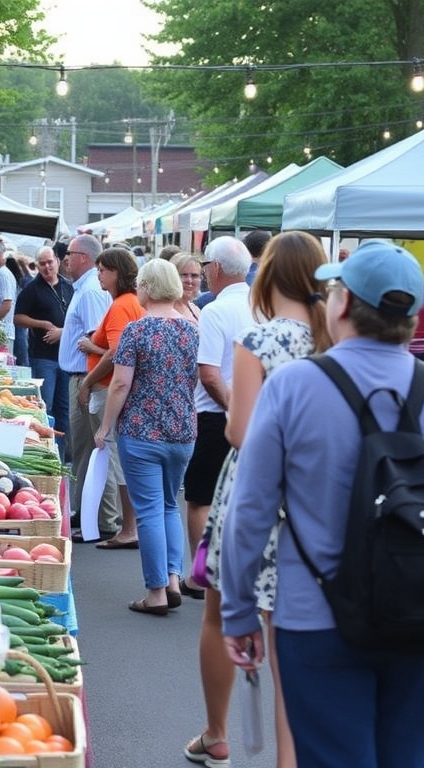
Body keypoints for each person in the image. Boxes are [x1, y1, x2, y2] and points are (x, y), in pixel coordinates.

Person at [221, 240, 424, 768]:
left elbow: (250, 512)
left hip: (316, 616)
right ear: (411, 316)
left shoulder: (296, 387)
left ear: (342, 304)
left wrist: (238, 613)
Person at [186, 231, 331, 768]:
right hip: (313, 494)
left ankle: (218, 733)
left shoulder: (262, 341)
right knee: (290, 636)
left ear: (267, 275)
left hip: (253, 488)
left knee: (221, 614)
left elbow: (240, 431)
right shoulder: (332, 342)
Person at [93, 258, 199, 615]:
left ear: (149, 288)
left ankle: (155, 593)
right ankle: (172, 578)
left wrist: (105, 426)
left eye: (140, 283)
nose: (136, 288)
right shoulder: (193, 330)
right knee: (170, 505)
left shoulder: (137, 331)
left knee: (149, 509)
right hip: (182, 431)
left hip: (142, 431)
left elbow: (121, 384)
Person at [181, 236, 252, 599]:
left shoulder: (215, 310)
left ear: (217, 268)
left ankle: (200, 575)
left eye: (205, 265)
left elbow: (209, 375)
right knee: (241, 498)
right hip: (257, 414)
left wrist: (232, 409)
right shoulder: (261, 304)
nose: (204, 273)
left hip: (216, 415)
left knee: (201, 498)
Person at [78, 246, 143, 547]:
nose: (99, 275)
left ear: (117, 272)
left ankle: (126, 529)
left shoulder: (120, 306)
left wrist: (88, 380)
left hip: (108, 389)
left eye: (103, 270)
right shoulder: (128, 302)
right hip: (111, 387)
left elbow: (118, 352)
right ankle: (123, 526)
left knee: (114, 459)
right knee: (116, 459)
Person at [57, 234, 113, 523]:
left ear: (83, 257)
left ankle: (97, 518)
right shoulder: (85, 288)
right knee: (84, 449)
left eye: (69, 253)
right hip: (83, 378)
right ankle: (89, 513)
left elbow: (97, 343)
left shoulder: (90, 291)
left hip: (85, 378)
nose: (64, 258)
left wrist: (87, 383)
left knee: (88, 448)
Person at [14, 246, 74, 458]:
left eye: (50, 262)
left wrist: (63, 332)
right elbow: (18, 317)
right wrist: (41, 324)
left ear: (57, 261)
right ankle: (47, 453)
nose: (47, 267)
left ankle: (63, 454)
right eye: (42, 263)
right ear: (37, 266)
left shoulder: (69, 286)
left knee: (64, 409)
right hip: (43, 357)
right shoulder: (32, 288)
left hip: (67, 358)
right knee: (45, 408)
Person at [170, 252, 202, 324]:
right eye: (183, 275)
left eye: (194, 276)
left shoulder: (195, 309)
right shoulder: (165, 312)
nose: (189, 280)